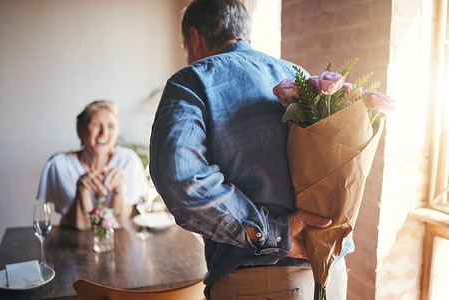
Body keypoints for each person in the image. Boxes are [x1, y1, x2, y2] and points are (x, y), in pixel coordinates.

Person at [149, 0, 350, 299]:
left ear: (194, 38)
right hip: (333, 272)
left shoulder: (193, 80)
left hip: (262, 285)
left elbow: (182, 179)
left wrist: (273, 232)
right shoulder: (301, 79)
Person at [37, 100, 149, 230]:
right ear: (80, 130)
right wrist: (82, 188)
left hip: (117, 241)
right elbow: (81, 225)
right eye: (96, 125)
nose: (104, 133)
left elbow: (119, 222)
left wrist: (119, 190)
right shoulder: (60, 165)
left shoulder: (128, 160)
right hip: (71, 241)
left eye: (111, 126)